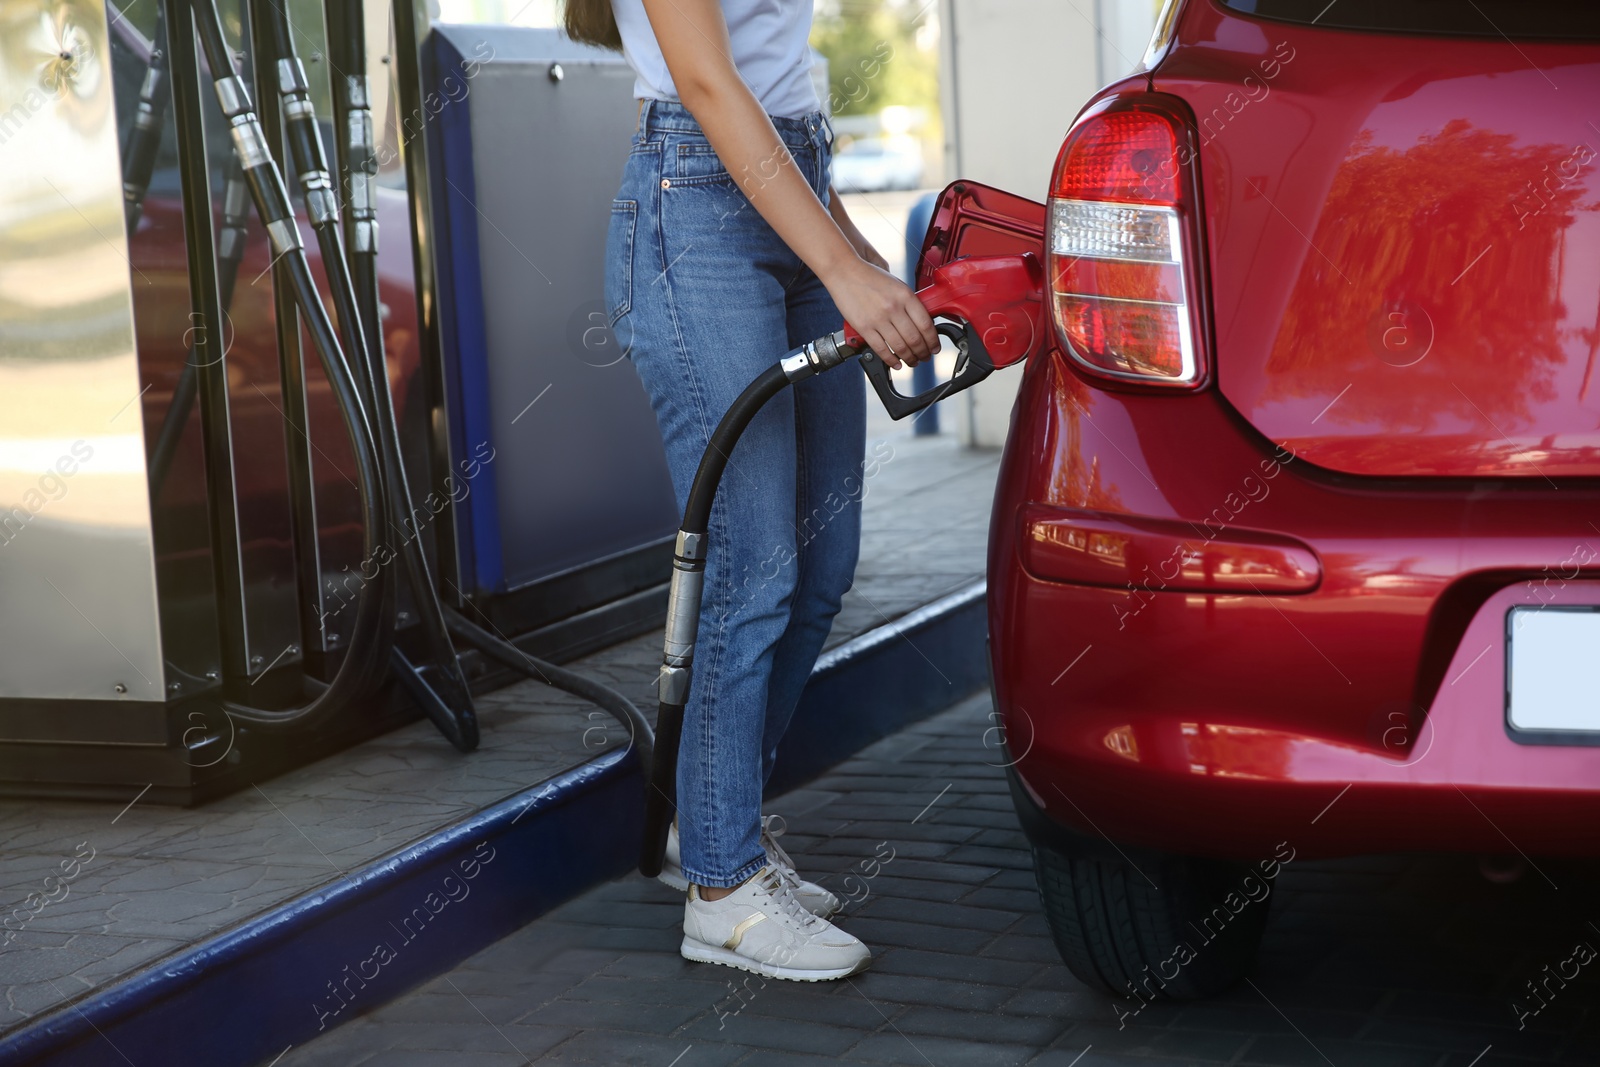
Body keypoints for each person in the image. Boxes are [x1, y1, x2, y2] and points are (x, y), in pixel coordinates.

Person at [564, 0, 938, 980]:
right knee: (752, 566)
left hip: (788, 180)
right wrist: (840, 270)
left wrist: (846, 246)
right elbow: (707, 82)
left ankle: (709, 823)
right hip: (695, 209)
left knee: (821, 562)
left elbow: (777, 71)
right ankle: (724, 892)